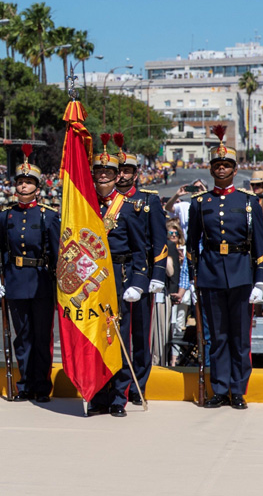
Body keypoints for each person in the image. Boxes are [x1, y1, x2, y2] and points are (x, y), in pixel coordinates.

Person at [187, 130, 263, 410]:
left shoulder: (249, 203)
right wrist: (194, 277)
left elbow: (259, 245)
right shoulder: (200, 203)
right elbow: (191, 245)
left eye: (226, 165)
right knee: (217, 338)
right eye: (217, 165)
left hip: (242, 274)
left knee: (239, 338)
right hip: (210, 275)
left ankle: (238, 390)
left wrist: (260, 281)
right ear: (211, 169)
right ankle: (219, 389)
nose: (221, 168)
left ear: (235, 169)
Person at [0, 148, 60, 402]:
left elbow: (57, 254)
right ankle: (25, 384)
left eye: (28, 183)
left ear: (37, 188)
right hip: (16, 281)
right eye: (20, 182)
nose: (22, 187)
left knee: (42, 337)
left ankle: (42, 387)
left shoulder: (49, 216)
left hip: (41, 281)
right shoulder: (5, 216)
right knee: (22, 338)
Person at [87, 145, 149, 418]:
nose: (103, 176)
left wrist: (137, 281)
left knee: (118, 340)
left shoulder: (129, 207)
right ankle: (99, 395)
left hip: (120, 280)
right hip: (94, 283)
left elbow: (140, 249)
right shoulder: (84, 207)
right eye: (99, 171)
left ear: (116, 176)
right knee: (97, 340)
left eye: (108, 172)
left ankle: (118, 397)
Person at [115, 141, 167, 404]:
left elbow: (160, 240)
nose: (122, 174)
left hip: (141, 274)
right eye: (119, 170)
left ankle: (139, 385)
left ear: (136, 173)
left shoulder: (148, 199)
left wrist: (157, 274)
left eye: (127, 170)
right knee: (119, 332)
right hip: (114, 274)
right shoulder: (106, 201)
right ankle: (121, 383)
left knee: (140, 333)